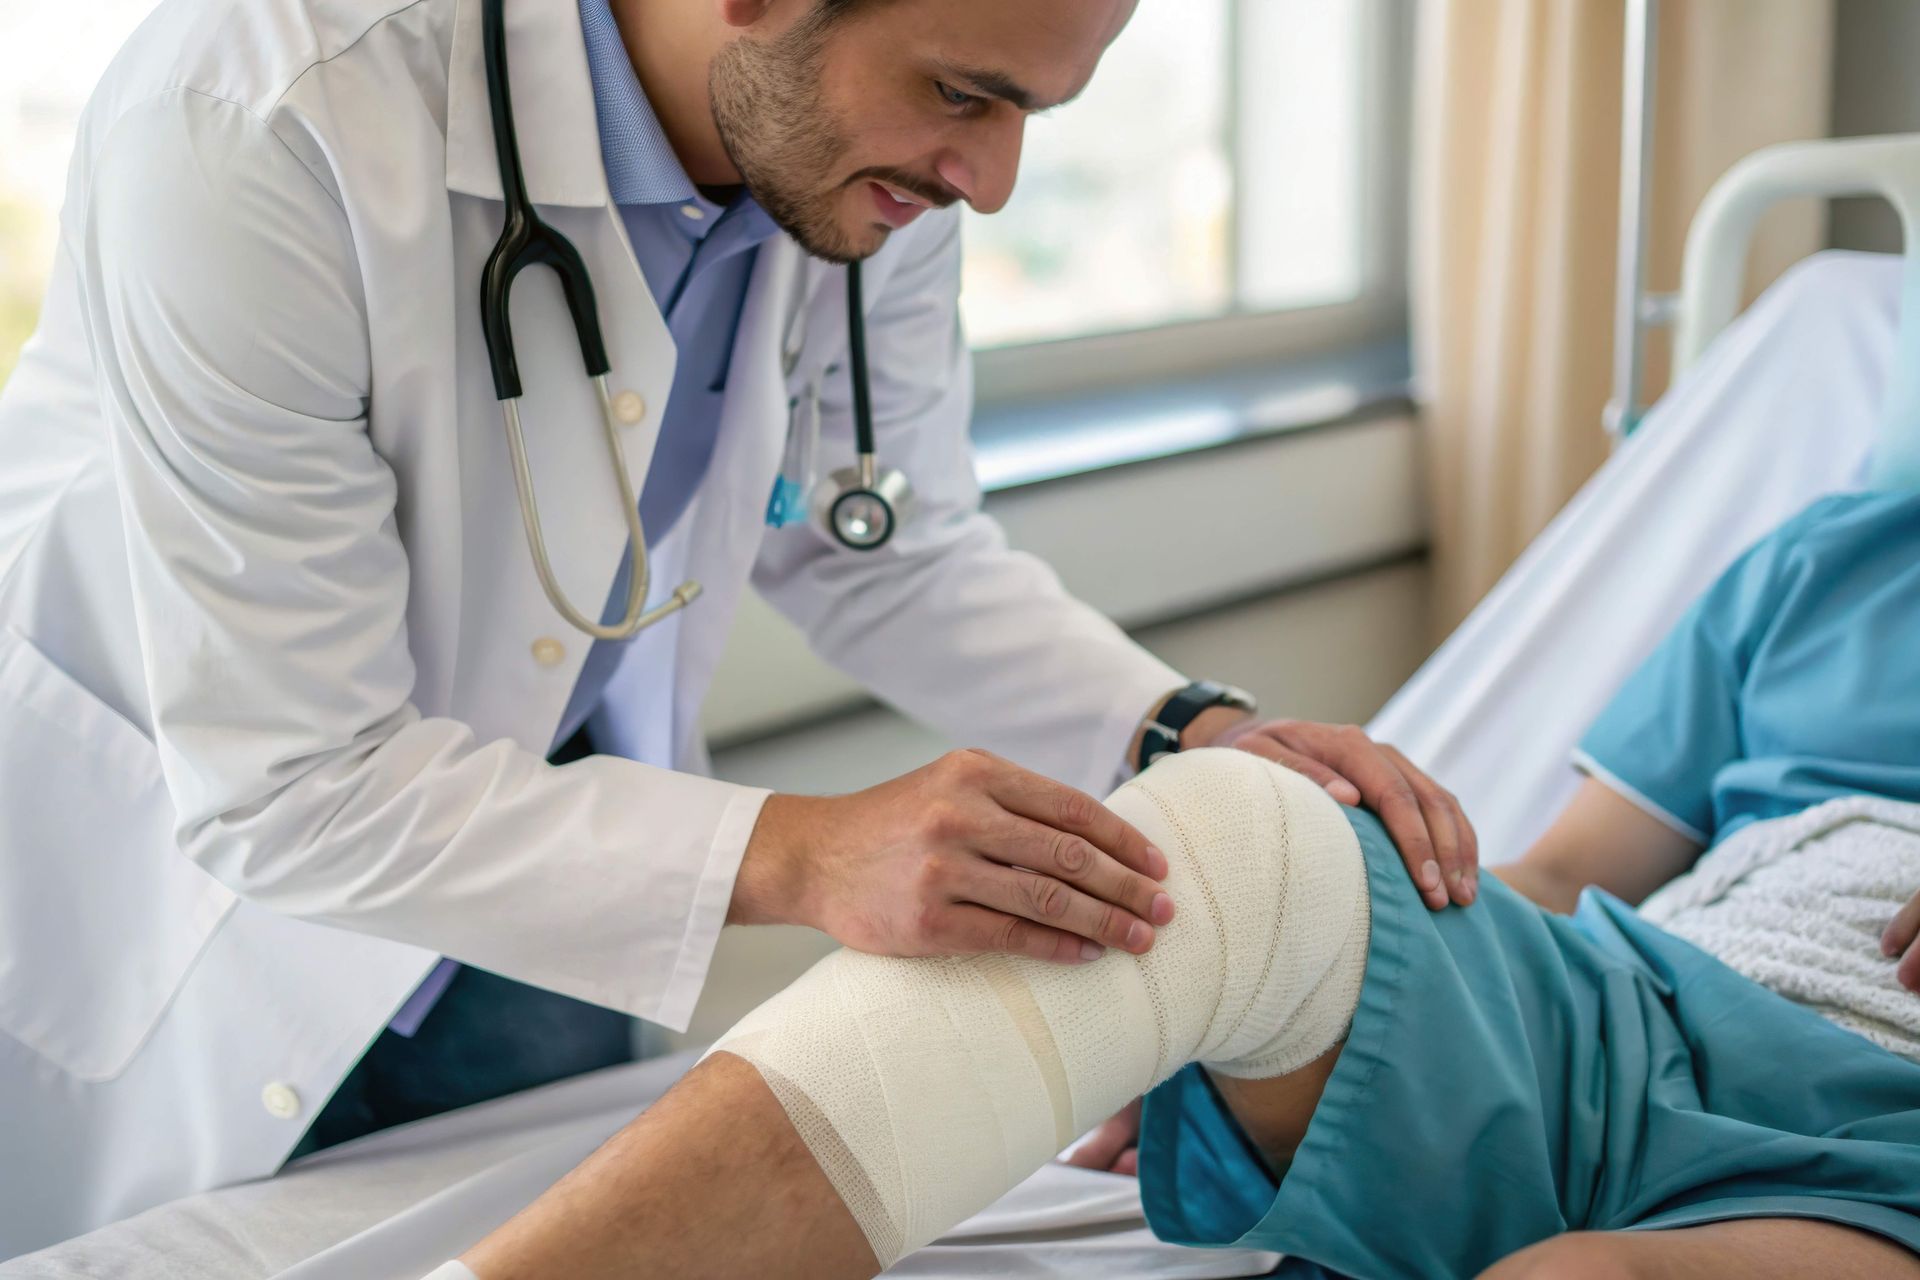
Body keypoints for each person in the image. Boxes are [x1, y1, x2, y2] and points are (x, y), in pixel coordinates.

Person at [0, 0, 1474, 1252]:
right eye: (966, 93)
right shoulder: (264, 115)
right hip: (186, 910)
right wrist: (808, 851)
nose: (994, 177)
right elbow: (293, 788)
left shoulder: (868, 166)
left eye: (1031, 109)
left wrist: (1186, 729)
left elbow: (874, 545)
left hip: (546, 886)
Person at [430, 490, 1920, 1279]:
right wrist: (1240, 984)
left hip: (1884, 1163)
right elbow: (1559, 873)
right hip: (1633, 1027)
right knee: (1235, 835)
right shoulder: (1830, 564)